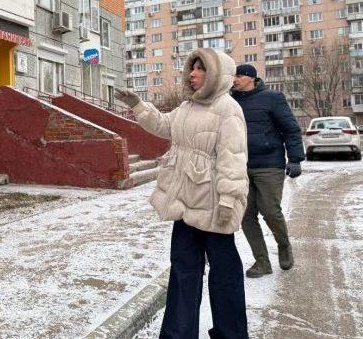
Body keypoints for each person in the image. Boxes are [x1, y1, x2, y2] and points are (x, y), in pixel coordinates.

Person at [116, 48, 249, 339]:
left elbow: (234, 158)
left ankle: (231, 334)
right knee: (183, 272)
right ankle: (178, 334)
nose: (193, 74)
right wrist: (138, 105)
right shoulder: (188, 106)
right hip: (184, 203)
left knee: (224, 276)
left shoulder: (228, 109)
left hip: (214, 205)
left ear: (217, 75)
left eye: (201, 69)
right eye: (192, 68)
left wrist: (229, 199)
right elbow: (164, 125)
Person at [231, 64, 304, 278]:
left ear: (251, 78)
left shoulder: (272, 98)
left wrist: (295, 159)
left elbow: (291, 129)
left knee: (270, 211)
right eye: (233, 75)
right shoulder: (230, 101)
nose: (234, 79)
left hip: (269, 164)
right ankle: (262, 261)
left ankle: (284, 245)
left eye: (239, 75)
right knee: (246, 215)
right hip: (240, 166)